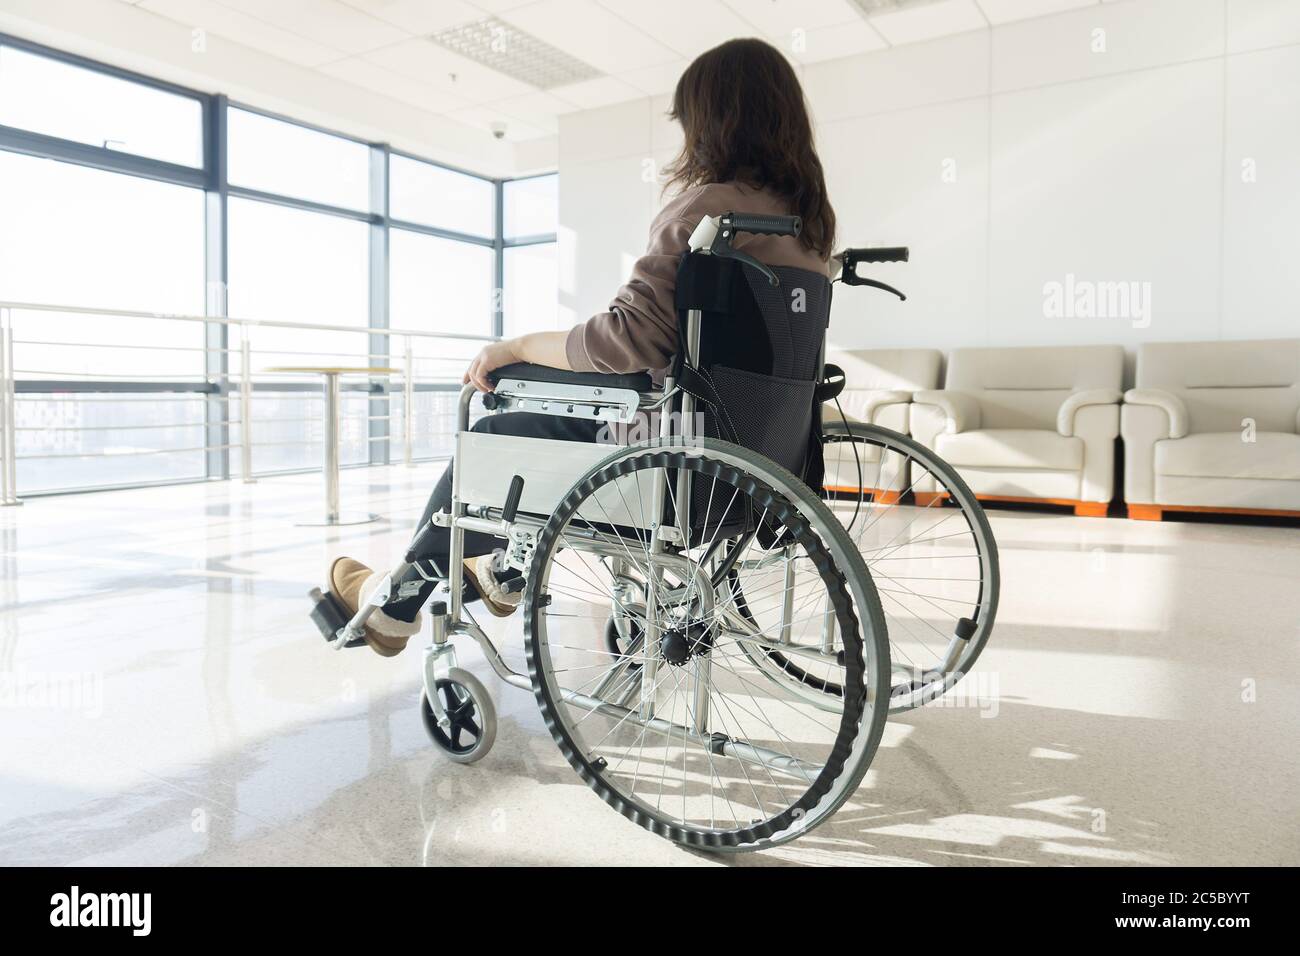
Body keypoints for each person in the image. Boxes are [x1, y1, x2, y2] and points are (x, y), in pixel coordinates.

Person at [326, 37, 837, 656]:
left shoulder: (708, 212)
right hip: (762, 470)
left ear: (713, 122)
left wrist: (514, 345)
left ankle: (396, 605)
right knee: (561, 426)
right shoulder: (809, 234)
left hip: (675, 462)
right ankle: (502, 571)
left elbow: (626, 340)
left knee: (496, 427)